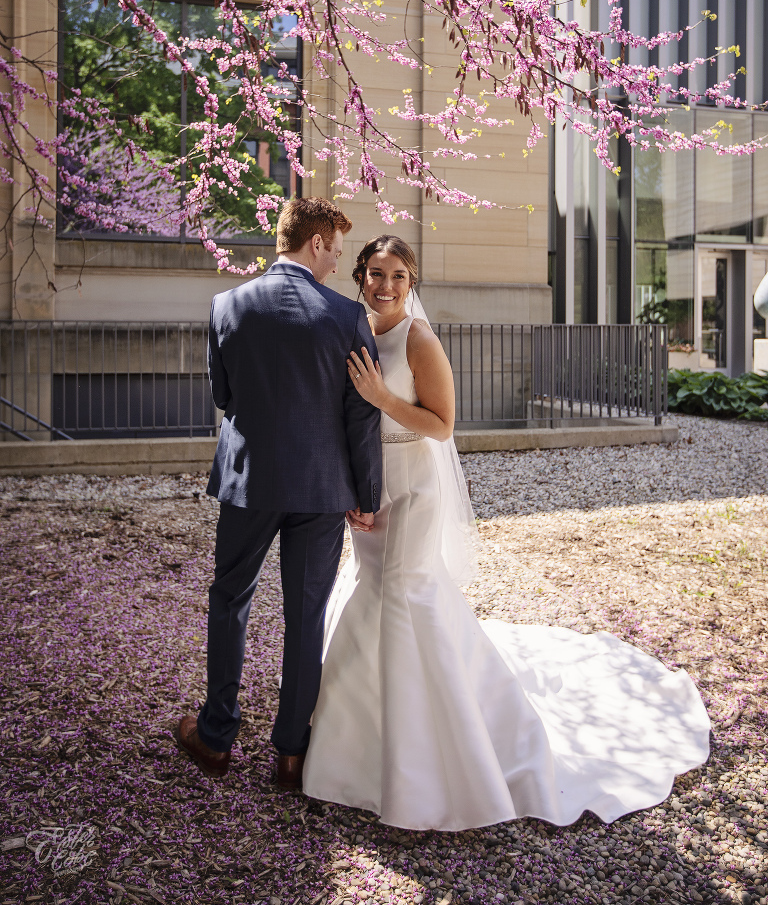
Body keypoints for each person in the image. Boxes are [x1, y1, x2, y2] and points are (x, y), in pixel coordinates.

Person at [302, 234, 711, 831]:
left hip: (414, 488)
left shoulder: (419, 338)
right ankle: (359, 742)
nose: (384, 286)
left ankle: (432, 757)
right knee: (370, 593)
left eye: (396, 276)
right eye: (374, 273)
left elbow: (441, 426)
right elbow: (343, 418)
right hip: (371, 488)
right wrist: (352, 491)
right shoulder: (353, 329)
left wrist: (383, 396)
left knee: (406, 594)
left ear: (411, 283)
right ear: (359, 277)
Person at [174, 198, 382, 791]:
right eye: (336, 251)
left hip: (250, 481)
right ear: (316, 242)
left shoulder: (226, 305)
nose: (338, 263)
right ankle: (291, 754)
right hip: (321, 487)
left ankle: (215, 738)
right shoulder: (346, 316)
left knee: (230, 599)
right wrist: (366, 494)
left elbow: (223, 393)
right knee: (305, 614)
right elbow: (360, 416)